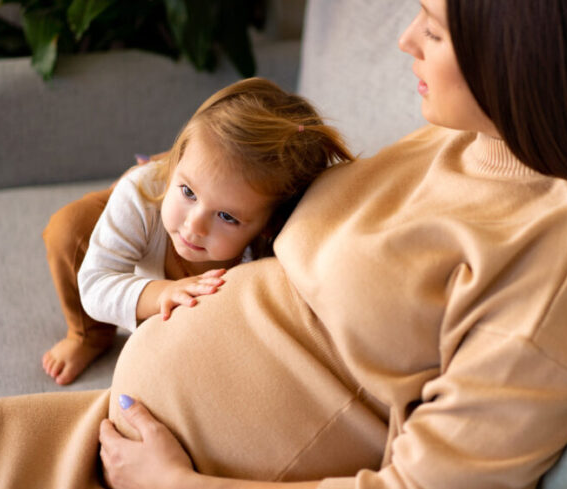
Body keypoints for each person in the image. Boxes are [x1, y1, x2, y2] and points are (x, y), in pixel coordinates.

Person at [0, 1, 567, 488]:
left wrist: (180, 484)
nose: (405, 39)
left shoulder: (558, 248)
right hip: (108, 427)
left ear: (519, 59)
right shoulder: (455, 143)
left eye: (432, 30)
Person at [40, 77, 353, 385]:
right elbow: (95, 285)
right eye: (189, 192)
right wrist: (163, 292)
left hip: (184, 193)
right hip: (153, 200)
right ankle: (88, 335)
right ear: (178, 162)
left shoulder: (269, 250)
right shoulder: (140, 195)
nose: (194, 226)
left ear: (267, 227)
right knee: (69, 230)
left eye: (227, 217)